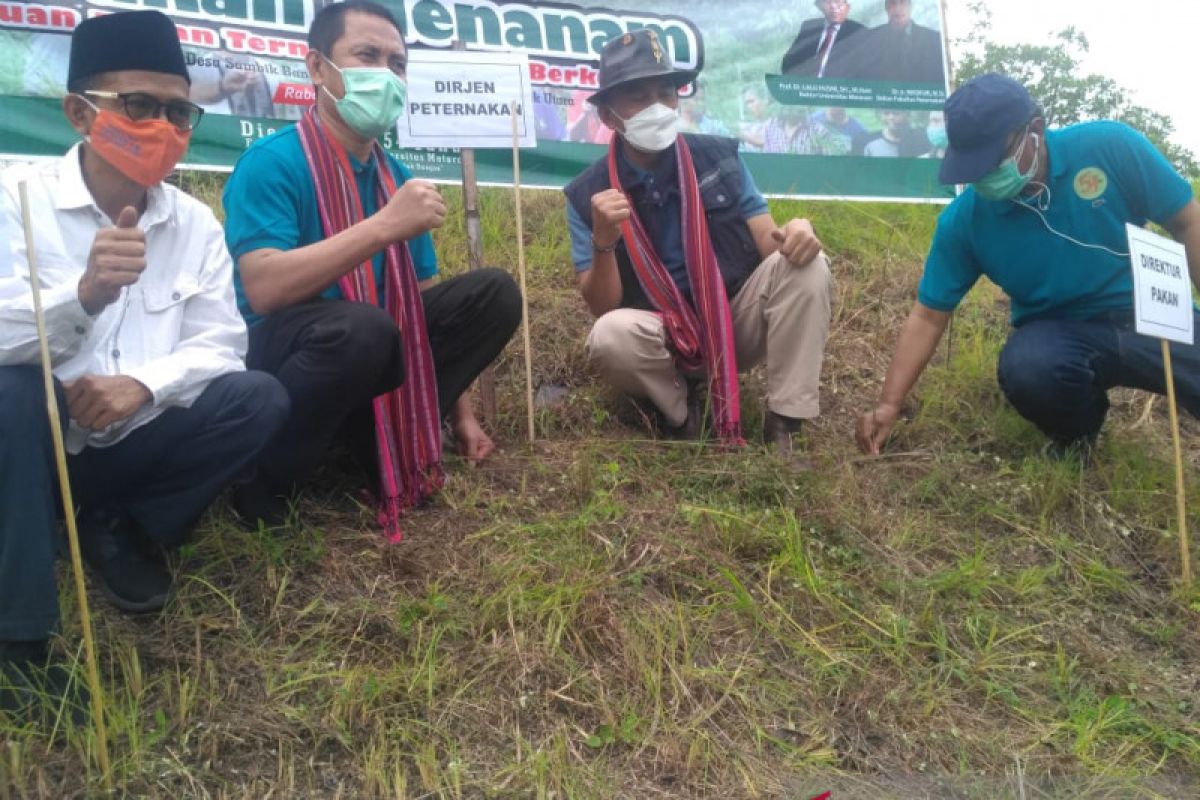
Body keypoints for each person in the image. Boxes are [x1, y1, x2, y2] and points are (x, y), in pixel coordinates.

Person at [0, 10, 289, 721]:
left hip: (135, 438)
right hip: (32, 445)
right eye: (138, 105)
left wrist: (142, 384)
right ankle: (19, 647)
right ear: (79, 112)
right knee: (8, 393)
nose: (162, 125)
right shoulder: (14, 200)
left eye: (177, 109)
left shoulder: (192, 223)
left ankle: (118, 525)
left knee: (257, 397)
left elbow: (222, 341)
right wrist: (84, 294)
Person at [222, 0, 522, 536]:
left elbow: (422, 300)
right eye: (366, 55)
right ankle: (269, 471)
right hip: (287, 356)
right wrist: (381, 227)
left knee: (493, 294)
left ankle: (373, 434)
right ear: (318, 68)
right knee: (361, 327)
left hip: (371, 355)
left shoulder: (395, 175)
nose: (385, 75)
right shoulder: (271, 164)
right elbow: (263, 289)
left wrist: (462, 416)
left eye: (398, 63)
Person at [856, 74, 1200, 458]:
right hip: (1061, 333)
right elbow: (928, 316)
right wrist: (889, 403)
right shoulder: (965, 221)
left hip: (1155, 314)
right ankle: (1077, 437)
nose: (983, 179)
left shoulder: (1110, 147)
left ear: (1034, 130)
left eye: (992, 162)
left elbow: (1189, 222)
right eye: (972, 169)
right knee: (1030, 368)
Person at [563, 30, 833, 459]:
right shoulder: (587, 195)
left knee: (808, 267)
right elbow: (602, 305)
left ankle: (785, 420)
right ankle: (681, 415)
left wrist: (795, 231)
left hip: (729, 320)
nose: (657, 106)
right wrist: (603, 242)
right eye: (638, 96)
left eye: (666, 92)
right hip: (659, 336)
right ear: (610, 116)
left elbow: (768, 239)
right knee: (609, 335)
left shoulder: (719, 158)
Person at [852, 0, 944, 84]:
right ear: (886, 8)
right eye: (893, 3)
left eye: (902, 2)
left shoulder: (934, 39)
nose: (898, 8)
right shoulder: (871, 39)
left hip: (919, 98)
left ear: (910, 7)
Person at [780, 0, 865, 78]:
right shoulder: (809, 26)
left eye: (838, 2)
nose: (834, 7)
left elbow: (862, 68)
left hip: (838, 89)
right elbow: (789, 61)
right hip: (807, 88)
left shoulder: (858, 31)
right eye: (828, 2)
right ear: (819, 6)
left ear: (847, 7)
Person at [860, 109, 929, 157]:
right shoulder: (871, 144)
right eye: (886, 113)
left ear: (907, 114)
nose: (891, 117)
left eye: (896, 113)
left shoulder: (920, 140)